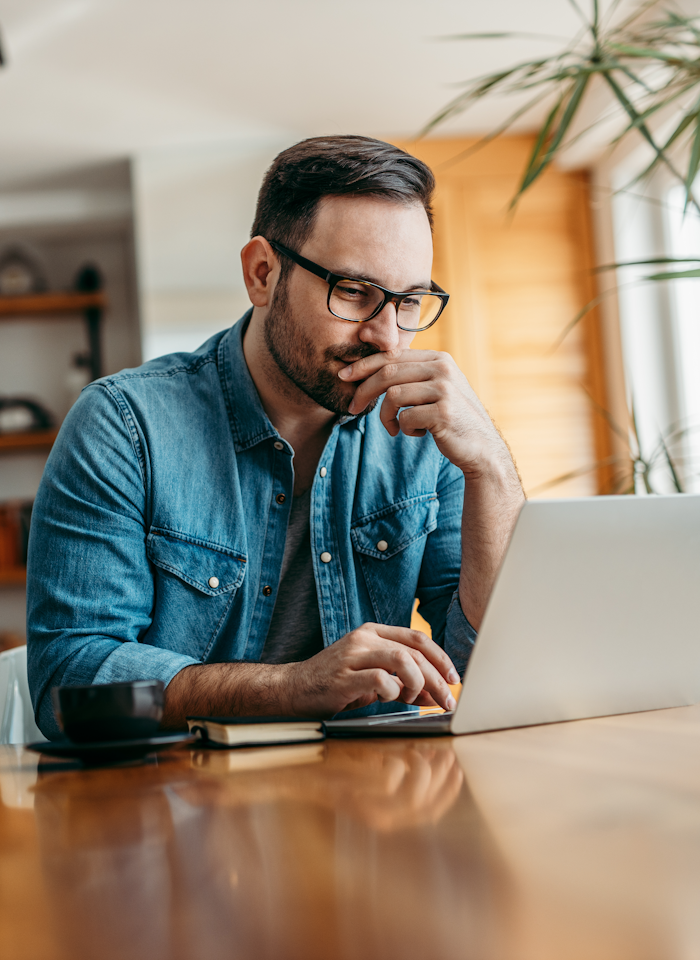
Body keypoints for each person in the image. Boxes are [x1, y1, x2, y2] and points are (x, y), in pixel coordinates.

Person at [27, 136, 524, 738]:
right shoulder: (124, 425)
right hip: (177, 806)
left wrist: (491, 468)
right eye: (353, 292)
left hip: (374, 806)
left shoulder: (428, 434)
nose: (389, 337)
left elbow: (496, 662)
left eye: (410, 301)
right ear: (262, 273)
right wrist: (297, 687)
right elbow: (69, 685)